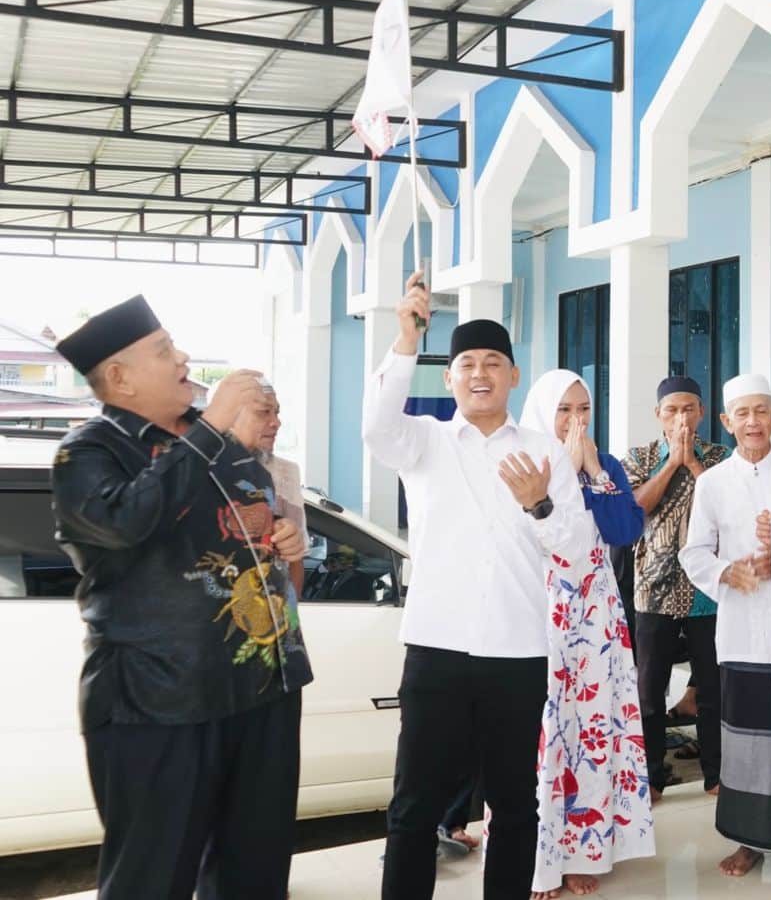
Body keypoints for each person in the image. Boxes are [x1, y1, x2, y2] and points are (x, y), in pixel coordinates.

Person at [50, 295, 311, 900]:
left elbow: (244, 529)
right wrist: (215, 427)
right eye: (164, 350)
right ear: (118, 378)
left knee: (256, 874)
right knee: (153, 877)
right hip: (159, 702)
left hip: (263, 688)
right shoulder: (87, 451)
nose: (184, 358)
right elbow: (126, 523)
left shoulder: (218, 445)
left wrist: (282, 541)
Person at [364, 273, 585, 900]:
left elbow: (573, 547)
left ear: (514, 376)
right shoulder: (423, 441)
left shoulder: (546, 452)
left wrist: (540, 503)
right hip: (436, 648)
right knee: (413, 805)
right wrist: (405, 340)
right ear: (449, 378)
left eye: (494, 363)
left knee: (515, 806)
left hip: (517, 652)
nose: (480, 373)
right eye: (466, 363)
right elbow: (377, 425)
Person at [680, 374, 771, 877]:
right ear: (726, 422)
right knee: (745, 740)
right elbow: (693, 552)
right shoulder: (712, 482)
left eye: (761, 411)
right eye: (742, 414)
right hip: (742, 631)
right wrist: (728, 572)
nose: (752, 422)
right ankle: (748, 841)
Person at [520, 369, 653, 899]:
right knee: (545, 727)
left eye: (584, 410)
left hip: (596, 614)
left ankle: (587, 850)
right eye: (564, 411)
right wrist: (561, 475)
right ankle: (537, 855)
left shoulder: (607, 465)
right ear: (542, 414)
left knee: (593, 726)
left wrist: (593, 469)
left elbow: (626, 531)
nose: (576, 421)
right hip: (542, 607)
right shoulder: (524, 465)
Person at [622, 376, 730, 800]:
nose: (681, 418)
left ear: (701, 413)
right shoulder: (640, 458)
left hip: (708, 593)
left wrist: (694, 466)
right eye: (672, 410)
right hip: (654, 590)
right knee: (648, 692)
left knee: (712, 690)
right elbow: (634, 510)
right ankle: (650, 777)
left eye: (689, 408)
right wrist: (671, 465)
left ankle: (716, 774)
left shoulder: (721, 458)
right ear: (658, 416)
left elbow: (727, 508)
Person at [231, 381, 308, 596]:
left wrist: (290, 617)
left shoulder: (285, 473)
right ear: (228, 416)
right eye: (264, 412)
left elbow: (295, 559)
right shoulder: (197, 469)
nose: (276, 423)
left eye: (277, 412)